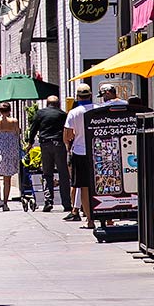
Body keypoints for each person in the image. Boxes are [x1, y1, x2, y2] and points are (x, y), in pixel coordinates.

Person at [63, 83, 106, 229]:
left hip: (80, 152)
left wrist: (69, 146)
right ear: (90, 95)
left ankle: (90, 220)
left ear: (77, 97)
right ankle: (106, 217)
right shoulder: (99, 109)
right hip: (98, 152)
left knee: (84, 187)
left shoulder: (73, 112)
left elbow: (67, 135)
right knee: (101, 184)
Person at [27, 95, 70, 213]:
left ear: (47, 103)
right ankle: (66, 203)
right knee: (63, 174)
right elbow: (67, 130)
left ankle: (48, 201)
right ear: (58, 104)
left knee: (47, 174)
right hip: (59, 145)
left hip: (45, 145)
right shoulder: (62, 114)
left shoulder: (40, 114)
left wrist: (30, 143)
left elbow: (33, 128)